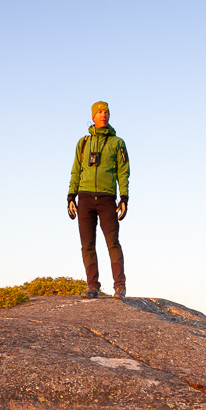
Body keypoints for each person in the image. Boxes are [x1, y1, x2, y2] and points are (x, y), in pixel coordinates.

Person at [67, 101, 129, 299]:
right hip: (85, 198)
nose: (103, 115)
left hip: (107, 198)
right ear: (93, 116)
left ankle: (119, 286)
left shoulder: (117, 143)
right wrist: (71, 196)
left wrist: (124, 197)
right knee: (87, 245)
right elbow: (76, 170)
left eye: (106, 112)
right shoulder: (83, 142)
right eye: (99, 112)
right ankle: (92, 286)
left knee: (113, 243)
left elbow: (123, 172)